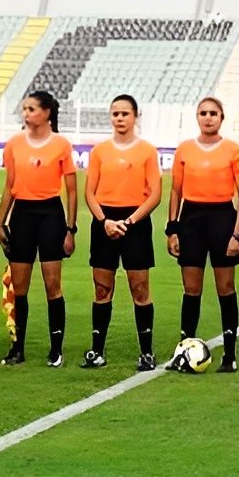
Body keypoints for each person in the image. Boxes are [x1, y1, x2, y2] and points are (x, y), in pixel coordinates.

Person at [167, 97, 239, 371]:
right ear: (197, 117)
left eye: (213, 113)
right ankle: (183, 351)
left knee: (225, 287)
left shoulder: (232, 150)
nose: (208, 117)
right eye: (203, 113)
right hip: (191, 220)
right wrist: (173, 229)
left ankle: (229, 355)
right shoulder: (185, 150)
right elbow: (176, 191)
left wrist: (237, 234)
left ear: (222, 118)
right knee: (191, 289)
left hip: (222, 219)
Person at [0, 90, 78, 367]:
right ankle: (17, 348)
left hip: (50, 215)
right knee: (19, 286)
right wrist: (0, 220)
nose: (26, 113)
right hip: (22, 216)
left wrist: (70, 229)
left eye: (31, 109)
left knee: (52, 285)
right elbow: (9, 185)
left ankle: (56, 350)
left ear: (46, 113)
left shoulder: (61, 145)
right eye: (25, 109)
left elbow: (71, 190)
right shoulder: (14, 145)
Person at [83, 95, 161, 371]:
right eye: (115, 113)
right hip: (104, 221)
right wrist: (104, 220)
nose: (119, 118)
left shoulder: (147, 151)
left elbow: (155, 194)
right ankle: (97, 350)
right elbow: (89, 193)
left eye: (125, 113)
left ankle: (147, 353)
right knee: (102, 288)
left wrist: (129, 221)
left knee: (139, 289)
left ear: (135, 116)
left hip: (135, 222)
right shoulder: (99, 151)